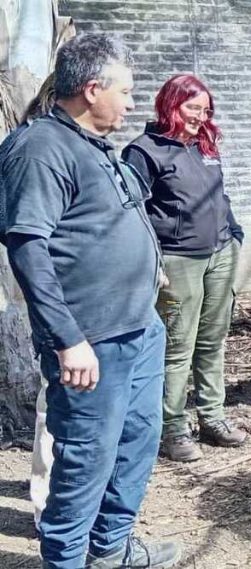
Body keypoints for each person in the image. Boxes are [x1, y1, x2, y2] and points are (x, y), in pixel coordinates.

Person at [0, 34, 181, 568]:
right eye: (125, 91)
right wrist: (68, 339)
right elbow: (28, 248)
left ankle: (111, 548)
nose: (132, 103)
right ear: (93, 89)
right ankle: (66, 560)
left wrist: (148, 267)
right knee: (86, 460)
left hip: (138, 328)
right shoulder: (39, 149)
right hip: (91, 342)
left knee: (136, 442)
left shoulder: (93, 144)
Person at [123, 74, 246, 463]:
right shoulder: (143, 152)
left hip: (220, 255)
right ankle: (172, 428)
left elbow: (219, 196)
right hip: (178, 261)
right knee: (177, 348)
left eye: (206, 110)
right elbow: (132, 214)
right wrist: (152, 260)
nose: (200, 117)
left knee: (212, 341)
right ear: (170, 104)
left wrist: (234, 233)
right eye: (193, 108)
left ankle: (212, 417)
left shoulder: (204, 145)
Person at [0, 72, 56, 531]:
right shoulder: (31, 150)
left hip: (72, 298)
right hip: (55, 298)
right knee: (53, 404)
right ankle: (47, 505)